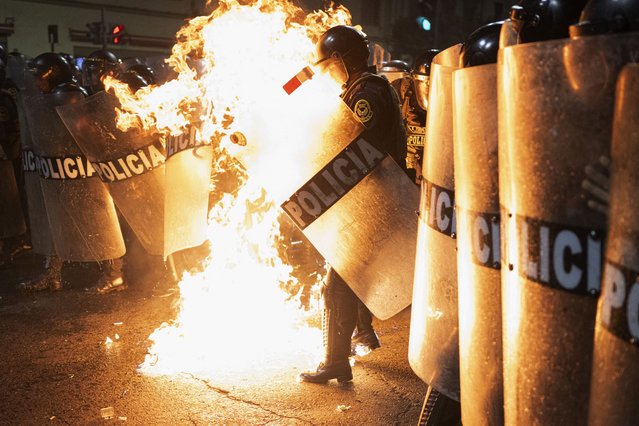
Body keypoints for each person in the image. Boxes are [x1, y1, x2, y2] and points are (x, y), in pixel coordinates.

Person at [299, 25, 407, 384]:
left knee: (338, 282)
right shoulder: (371, 88)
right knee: (355, 277)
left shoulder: (367, 93)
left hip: (370, 197)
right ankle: (361, 336)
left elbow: (354, 144)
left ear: (341, 59)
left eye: (328, 66)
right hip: (372, 196)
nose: (328, 74)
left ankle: (335, 362)